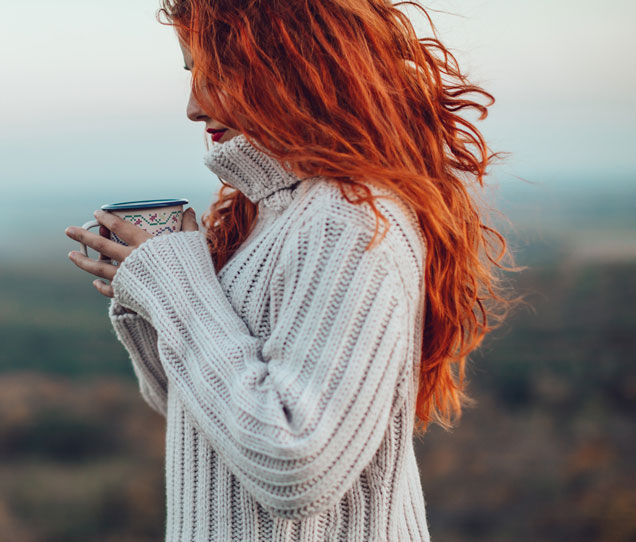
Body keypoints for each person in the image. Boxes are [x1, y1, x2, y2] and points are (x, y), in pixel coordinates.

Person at [62, 1, 520, 540]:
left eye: (218, 75)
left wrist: (180, 291)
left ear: (296, 68)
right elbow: (195, 410)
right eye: (193, 75)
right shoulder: (266, 213)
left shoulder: (347, 219)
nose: (192, 106)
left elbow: (296, 467)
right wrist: (154, 292)